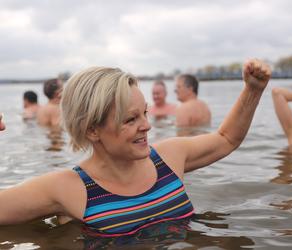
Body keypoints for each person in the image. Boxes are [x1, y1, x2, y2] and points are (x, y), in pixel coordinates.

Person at [0, 59, 271, 237]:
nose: (147, 126)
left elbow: (226, 138)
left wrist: (253, 90)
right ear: (92, 129)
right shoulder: (67, 187)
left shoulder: (169, 157)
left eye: (145, 113)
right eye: (131, 119)